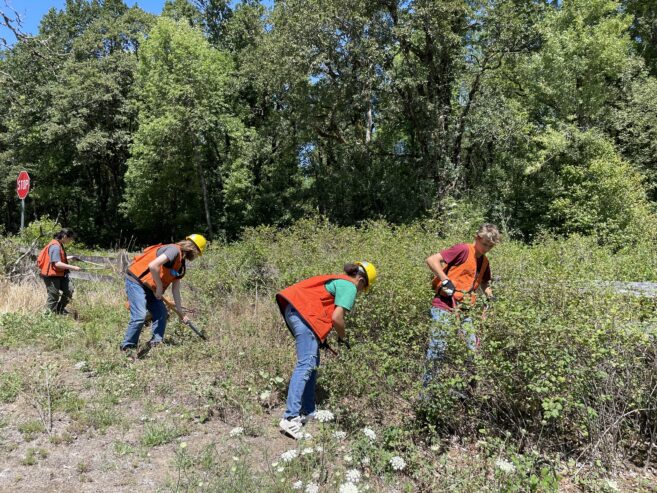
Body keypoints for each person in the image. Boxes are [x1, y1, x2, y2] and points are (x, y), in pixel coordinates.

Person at [275, 261, 377, 440]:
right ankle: (290, 418)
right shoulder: (350, 286)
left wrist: (321, 337)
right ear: (360, 280)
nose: (360, 292)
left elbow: (322, 308)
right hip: (303, 315)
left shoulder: (340, 281)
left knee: (312, 364)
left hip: (297, 312)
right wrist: (342, 337)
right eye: (363, 288)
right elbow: (337, 317)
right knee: (306, 364)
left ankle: (308, 410)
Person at [423, 224, 501, 386]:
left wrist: (489, 294)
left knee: (472, 352)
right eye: (485, 243)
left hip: (465, 312)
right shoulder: (463, 250)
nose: (486, 248)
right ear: (477, 238)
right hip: (444, 305)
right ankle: (426, 396)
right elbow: (432, 260)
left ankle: (466, 392)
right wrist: (445, 280)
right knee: (438, 350)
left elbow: (485, 282)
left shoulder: (485, 262)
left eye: (490, 246)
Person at [120, 234, 207, 354]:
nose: (197, 256)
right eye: (198, 253)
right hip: (137, 281)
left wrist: (181, 314)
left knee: (161, 313)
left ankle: (155, 343)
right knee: (139, 316)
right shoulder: (173, 250)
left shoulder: (181, 265)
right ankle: (128, 348)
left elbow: (175, 289)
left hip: (152, 287)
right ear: (193, 248)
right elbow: (153, 266)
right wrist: (160, 287)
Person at [37, 228, 81, 314]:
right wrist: (73, 267)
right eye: (70, 238)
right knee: (53, 297)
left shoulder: (59, 244)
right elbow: (57, 263)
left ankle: (59, 309)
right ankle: (48, 315)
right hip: (51, 276)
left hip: (59, 274)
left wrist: (70, 257)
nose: (70, 241)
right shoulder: (55, 246)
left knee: (69, 290)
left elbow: (56, 258)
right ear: (64, 236)